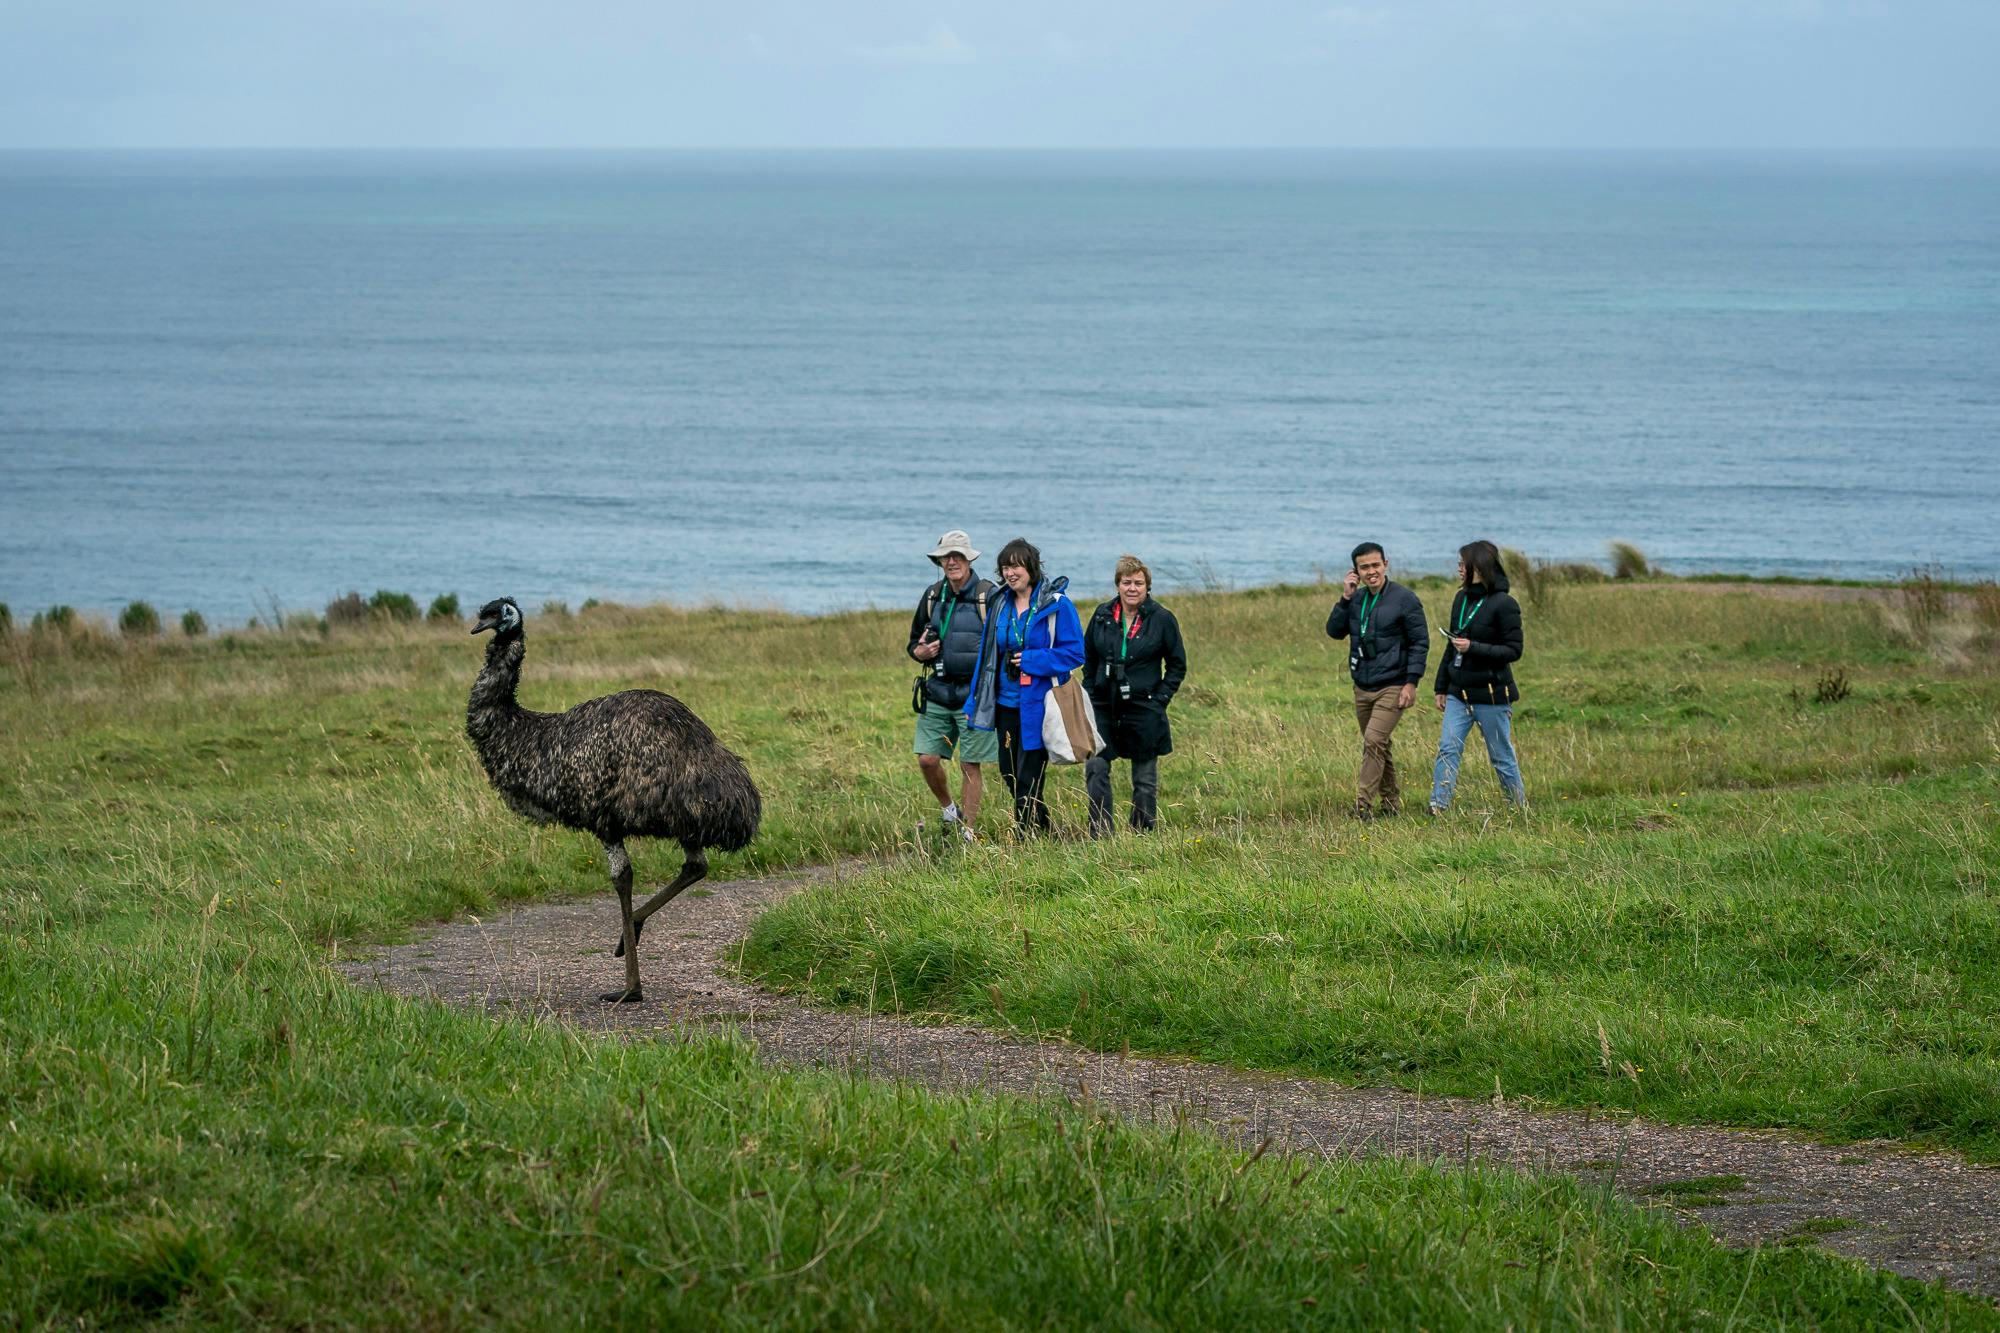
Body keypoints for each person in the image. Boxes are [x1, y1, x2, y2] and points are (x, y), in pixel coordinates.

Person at [963, 538, 1084, 834]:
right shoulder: (999, 603)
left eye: (1016, 565)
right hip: (1005, 704)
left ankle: (1025, 837)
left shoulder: (1057, 604)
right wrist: (973, 700)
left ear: (1031, 567)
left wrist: (1033, 660)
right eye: (1005, 567)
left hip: (1040, 705)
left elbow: (1075, 653)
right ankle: (1044, 829)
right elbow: (987, 655)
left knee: (1028, 776)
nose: (1010, 572)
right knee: (1009, 772)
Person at [1325, 541, 1429, 820]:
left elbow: (1420, 643)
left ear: (1385, 564)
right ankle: (1391, 803)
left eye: (1375, 565)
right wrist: (1345, 598)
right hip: (1362, 685)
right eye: (1364, 567)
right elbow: (1334, 631)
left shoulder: (1405, 598)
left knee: (1373, 740)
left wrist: (1411, 683)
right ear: (1355, 572)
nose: (1371, 571)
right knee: (1378, 745)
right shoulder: (1356, 599)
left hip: (1393, 684)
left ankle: (1363, 806)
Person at [1082, 555, 1186, 834]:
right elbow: (1088, 657)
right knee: (1095, 766)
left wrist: (1160, 699)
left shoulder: (1162, 619)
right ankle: (1100, 832)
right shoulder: (1102, 615)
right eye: (1126, 582)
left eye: (1138, 583)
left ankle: (1143, 832)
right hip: (1104, 703)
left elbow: (1177, 665)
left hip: (1144, 705)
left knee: (1144, 777)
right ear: (1117, 585)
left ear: (1147, 586)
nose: (1132, 588)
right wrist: (1091, 691)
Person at [907, 530, 998, 842]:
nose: (952, 561)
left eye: (958, 556)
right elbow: (913, 643)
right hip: (938, 690)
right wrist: (920, 652)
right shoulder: (933, 595)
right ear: (940, 561)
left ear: (969, 559)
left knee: (970, 764)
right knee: (927, 759)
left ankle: (968, 832)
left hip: (975, 695)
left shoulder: (987, 594)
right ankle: (949, 810)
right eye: (947, 557)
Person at [1429, 540, 1527, 814]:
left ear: (1480, 568)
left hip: (1492, 695)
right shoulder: (1460, 599)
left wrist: (1474, 647)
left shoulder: (1505, 604)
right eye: (1459, 564)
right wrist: (1441, 687)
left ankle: (1518, 808)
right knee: (1448, 749)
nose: (1459, 569)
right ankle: (1438, 805)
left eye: (1464, 564)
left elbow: (1514, 650)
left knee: (1501, 756)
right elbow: (1452, 645)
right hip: (1458, 692)